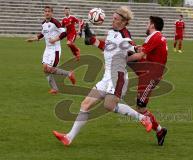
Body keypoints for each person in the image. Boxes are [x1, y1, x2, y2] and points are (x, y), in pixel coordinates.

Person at [52, 6, 152, 146]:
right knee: (85, 104)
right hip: (107, 76)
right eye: (113, 18)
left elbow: (133, 49)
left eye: (116, 19)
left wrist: (137, 50)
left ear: (123, 22)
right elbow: (106, 46)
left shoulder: (124, 36)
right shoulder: (112, 31)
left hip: (118, 76)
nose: (113, 21)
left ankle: (143, 118)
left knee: (109, 105)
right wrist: (92, 40)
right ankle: (68, 137)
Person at [127, 16, 168, 146]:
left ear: (152, 25)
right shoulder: (157, 36)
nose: (146, 25)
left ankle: (160, 130)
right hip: (147, 69)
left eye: (147, 23)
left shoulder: (155, 36)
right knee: (127, 51)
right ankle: (95, 41)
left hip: (151, 75)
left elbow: (140, 55)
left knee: (140, 107)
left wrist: (123, 60)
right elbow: (141, 51)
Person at [26, 6, 76, 94]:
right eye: (45, 11)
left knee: (50, 69)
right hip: (47, 49)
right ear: (44, 13)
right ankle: (55, 88)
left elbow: (64, 32)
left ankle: (69, 74)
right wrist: (33, 39)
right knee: (45, 68)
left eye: (49, 11)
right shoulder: (43, 23)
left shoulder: (55, 22)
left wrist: (55, 39)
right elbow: (42, 34)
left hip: (55, 50)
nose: (47, 13)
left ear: (52, 13)